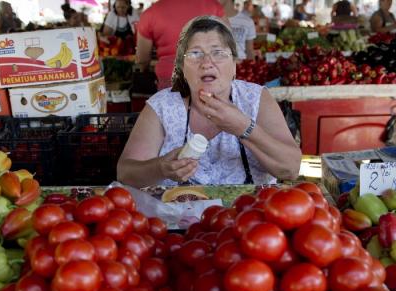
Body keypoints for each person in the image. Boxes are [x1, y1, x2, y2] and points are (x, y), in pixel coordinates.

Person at [118, 16, 301, 187]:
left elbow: (291, 169)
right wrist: (160, 168)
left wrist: (243, 127)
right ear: (182, 68)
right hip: (178, 217)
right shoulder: (162, 106)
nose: (207, 62)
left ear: (234, 65)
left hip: (249, 216)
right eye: (195, 54)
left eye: (218, 52)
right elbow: (125, 173)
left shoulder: (256, 99)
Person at [136, 0, 225, 90]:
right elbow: (228, 46)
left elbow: (142, 59)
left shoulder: (150, 13)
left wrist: (144, 69)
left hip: (170, 80)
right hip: (208, 77)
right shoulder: (214, 6)